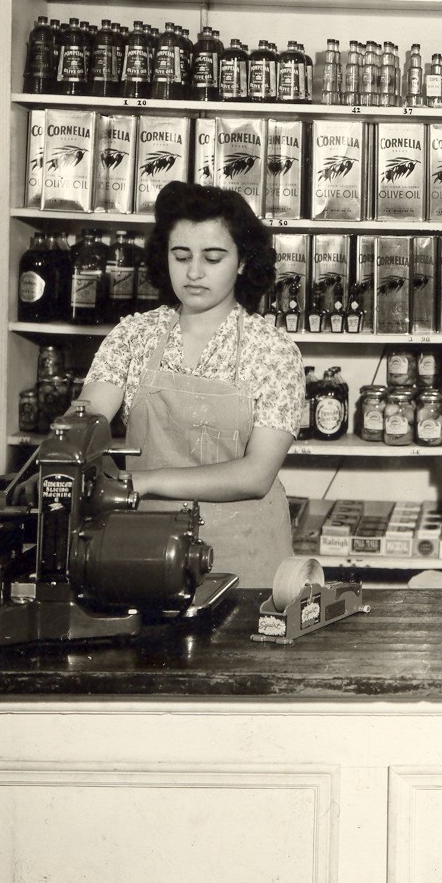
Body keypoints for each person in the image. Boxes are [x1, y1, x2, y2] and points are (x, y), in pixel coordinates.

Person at [74, 181, 306, 592]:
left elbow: (257, 474)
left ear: (242, 263)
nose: (194, 272)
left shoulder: (272, 350)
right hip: (146, 550)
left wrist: (144, 483)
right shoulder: (134, 336)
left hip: (245, 560)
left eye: (212, 258)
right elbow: (86, 419)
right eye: (181, 256)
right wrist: (60, 453)